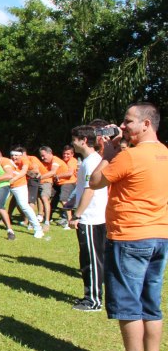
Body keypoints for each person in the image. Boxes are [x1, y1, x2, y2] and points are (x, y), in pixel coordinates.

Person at [89, 103, 167, 351]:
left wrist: (108, 153)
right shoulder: (164, 154)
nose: (123, 126)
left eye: (128, 121)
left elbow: (95, 181)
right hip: (160, 236)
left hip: (130, 235)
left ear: (146, 124)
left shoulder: (130, 157)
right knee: (150, 303)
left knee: (128, 302)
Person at [69, 124, 107, 312]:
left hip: (91, 218)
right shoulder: (90, 160)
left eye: (74, 139)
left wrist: (77, 215)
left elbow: (90, 190)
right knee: (92, 259)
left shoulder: (92, 161)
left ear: (83, 141)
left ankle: (93, 300)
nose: (72, 143)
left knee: (91, 261)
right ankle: (91, 297)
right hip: (92, 216)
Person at [6, 147, 45, 239]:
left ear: (21, 155)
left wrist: (14, 179)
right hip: (7, 185)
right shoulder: (8, 161)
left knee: (24, 206)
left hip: (19, 185)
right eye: (12, 155)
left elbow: (24, 172)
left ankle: (38, 228)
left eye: (16, 155)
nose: (14, 157)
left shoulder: (25, 160)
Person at [37, 146, 67, 227]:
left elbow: (53, 172)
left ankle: (69, 219)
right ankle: (42, 216)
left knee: (62, 199)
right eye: (41, 156)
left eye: (43, 155)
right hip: (57, 184)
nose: (42, 158)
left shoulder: (55, 160)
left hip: (66, 182)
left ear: (50, 153)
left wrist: (39, 178)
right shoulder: (46, 162)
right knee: (42, 196)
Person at [55, 145, 79, 228]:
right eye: (64, 154)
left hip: (69, 182)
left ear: (72, 154)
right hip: (66, 183)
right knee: (67, 201)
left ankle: (69, 221)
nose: (65, 155)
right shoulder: (67, 161)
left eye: (68, 154)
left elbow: (69, 173)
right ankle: (67, 219)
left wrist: (57, 176)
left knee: (64, 200)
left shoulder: (71, 161)